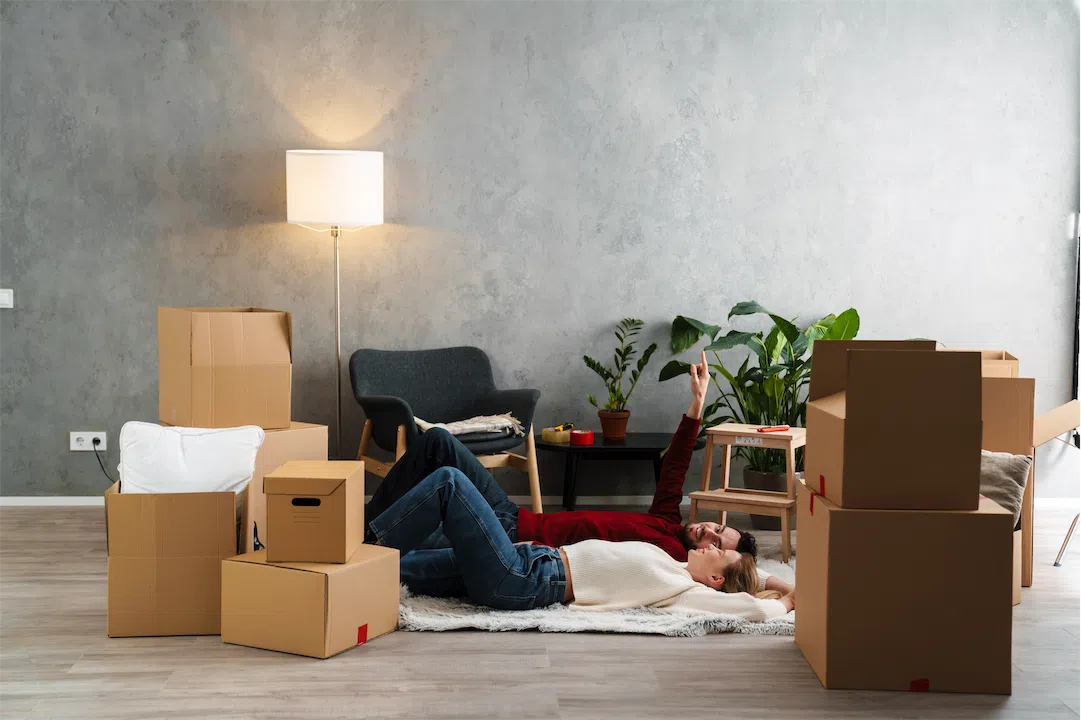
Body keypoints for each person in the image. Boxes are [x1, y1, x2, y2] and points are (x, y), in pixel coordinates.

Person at [365, 351, 794, 595]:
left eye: (718, 545)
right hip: (516, 516)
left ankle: (363, 550)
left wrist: (778, 585)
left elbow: (741, 581)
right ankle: (362, 532)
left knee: (420, 543)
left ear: (715, 562)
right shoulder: (666, 521)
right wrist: (696, 405)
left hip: (519, 544)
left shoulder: (675, 562)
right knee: (438, 442)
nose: (708, 535)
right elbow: (676, 466)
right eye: (718, 530)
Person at [369, 464, 795, 620]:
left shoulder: (679, 591)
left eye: (719, 553)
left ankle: (363, 543)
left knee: (451, 483)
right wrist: (770, 577)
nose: (710, 544)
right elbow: (745, 580)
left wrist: (788, 594)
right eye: (717, 541)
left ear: (717, 581)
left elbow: (755, 608)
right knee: (390, 571)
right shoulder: (676, 562)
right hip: (526, 558)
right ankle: (346, 569)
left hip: (523, 578)